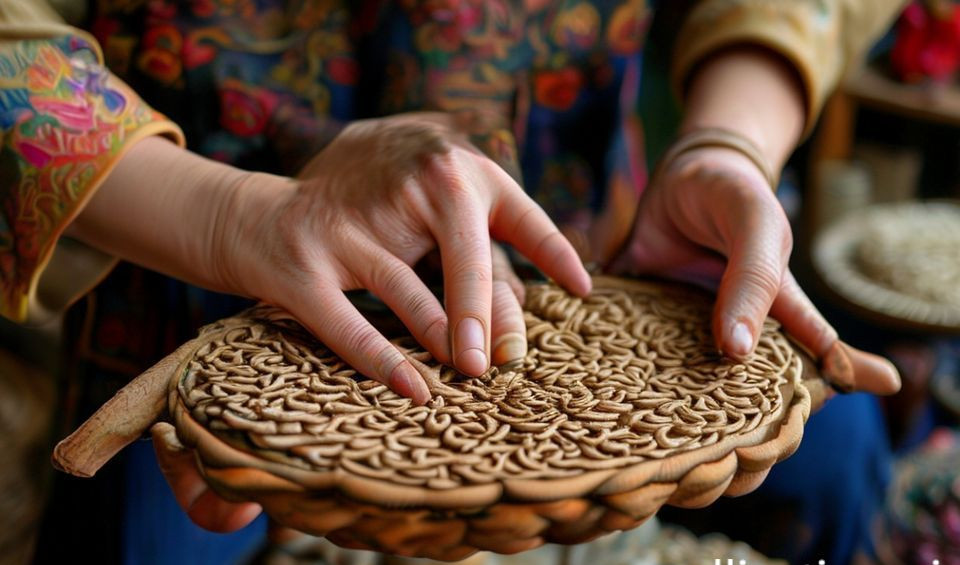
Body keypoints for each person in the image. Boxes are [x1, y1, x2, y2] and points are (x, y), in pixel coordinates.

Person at [0, 0, 905, 562]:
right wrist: (227, 215)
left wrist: (726, 137)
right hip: (191, 258)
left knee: (837, 461)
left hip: (593, 266)